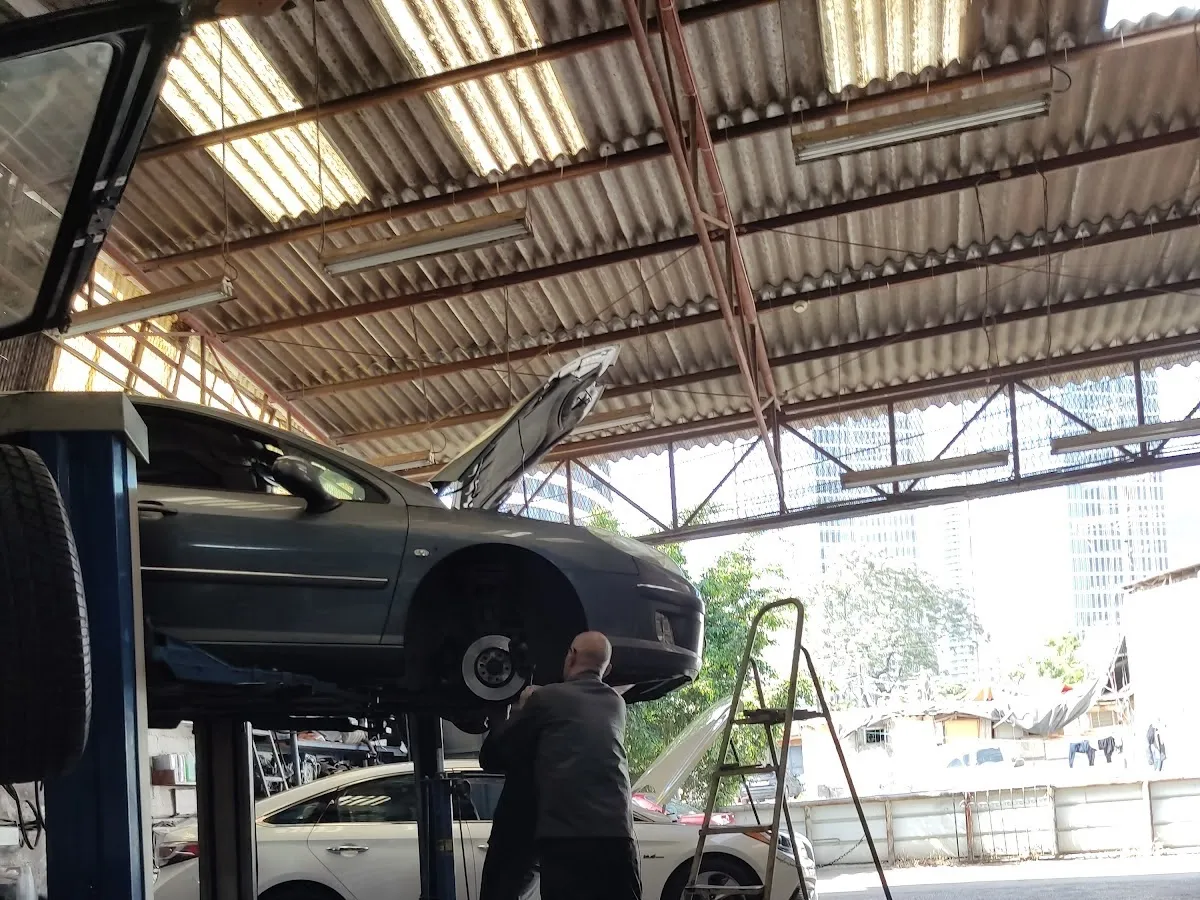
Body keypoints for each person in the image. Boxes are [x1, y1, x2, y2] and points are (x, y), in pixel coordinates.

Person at [484, 632, 641, 900]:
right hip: (617, 835)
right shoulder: (616, 704)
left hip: (567, 838)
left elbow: (492, 756)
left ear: (571, 655)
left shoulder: (547, 699)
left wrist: (521, 708)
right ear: (607, 670)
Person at [476, 686, 540, 900]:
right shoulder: (557, 738)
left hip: (516, 839)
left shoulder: (529, 738)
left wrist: (500, 722)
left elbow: (489, 759)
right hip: (529, 839)